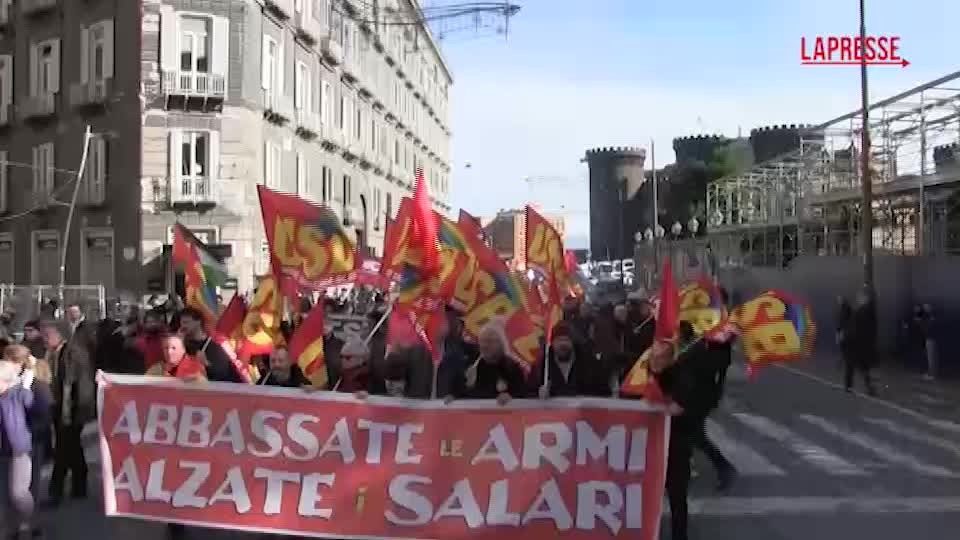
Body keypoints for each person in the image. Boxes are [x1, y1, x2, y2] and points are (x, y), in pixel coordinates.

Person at [45, 320, 95, 506]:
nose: (44, 339)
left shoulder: (74, 354)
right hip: (59, 407)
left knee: (62, 451)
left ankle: (55, 492)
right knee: (72, 449)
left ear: (60, 335)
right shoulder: (53, 353)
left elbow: (83, 385)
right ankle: (79, 485)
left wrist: (81, 410)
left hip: (72, 409)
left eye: (48, 335)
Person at [4, 345, 53, 509]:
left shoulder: (35, 385)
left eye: (8, 361)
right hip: (11, 442)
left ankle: (29, 524)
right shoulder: (9, 384)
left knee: (27, 486)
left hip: (31, 438)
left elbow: (42, 411)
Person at [0, 360, 39, 539]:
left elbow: (37, 410)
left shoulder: (18, 394)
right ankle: (9, 528)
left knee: (19, 492)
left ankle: (27, 523)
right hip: (2, 450)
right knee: (4, 495)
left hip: (19, 448)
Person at [450, 320, 527, 403]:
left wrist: (511, 397)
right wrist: (452, 397)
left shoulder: (512, 368)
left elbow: (522, 396)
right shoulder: (469, 366)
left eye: (490, 341)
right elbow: (457, 392)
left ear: (501, 343)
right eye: (482, 341)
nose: (484, 345)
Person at [530, 321, 609, 398]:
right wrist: (538, 394)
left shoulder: (590, 365)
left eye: (566, 340)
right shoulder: (540, 367)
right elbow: (527, 395)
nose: (563, 344)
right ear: (552, 343)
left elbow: (603, 393)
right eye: (559, 340)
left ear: (572, 342)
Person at [179, 308, 241, 383]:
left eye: (186, 322)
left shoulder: (215, 343)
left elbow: (222, 374)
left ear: (198, 321)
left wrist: (205, 364)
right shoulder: (183, 345)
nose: (183, 326)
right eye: (181, 323)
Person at [847, 289, 877, 395]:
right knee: (863, 366)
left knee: (860, 365)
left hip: (861, 342)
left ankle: (867, 386)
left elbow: (861, 327)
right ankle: (868, 387)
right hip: (862, 342)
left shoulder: (865, 310)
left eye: (860, 297)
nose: (858, 299)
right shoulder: (865, 309)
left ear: (865, 298)